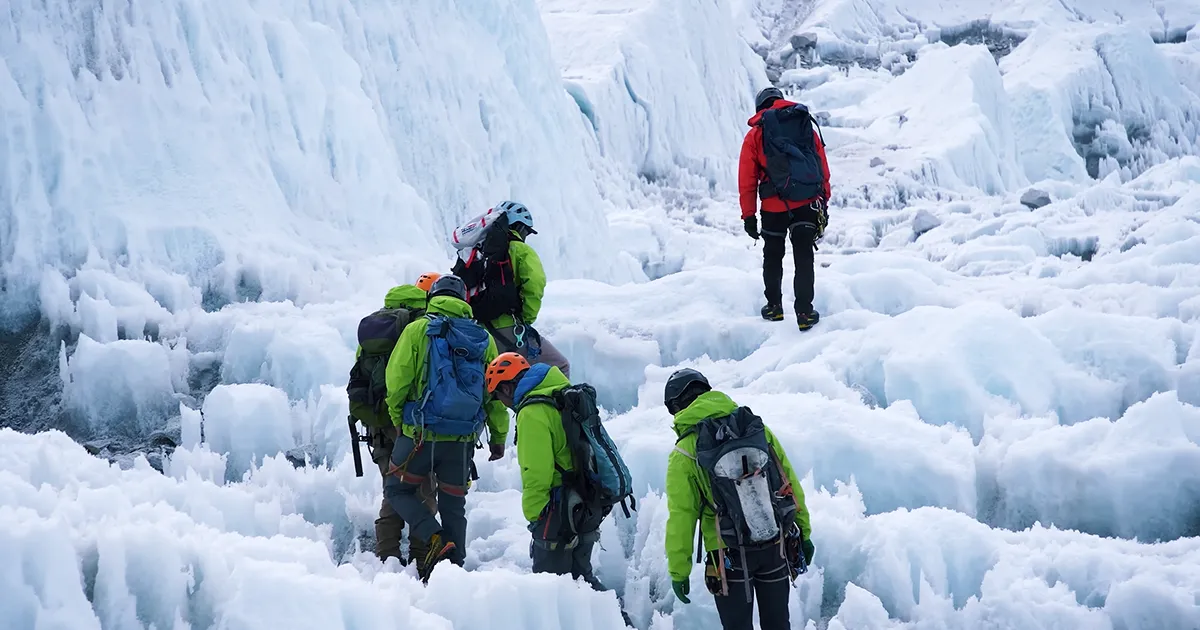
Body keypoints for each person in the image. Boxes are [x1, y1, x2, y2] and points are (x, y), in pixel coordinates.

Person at [663, 368, 815, 630]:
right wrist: (805, 531)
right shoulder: (755, 428)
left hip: (727, 555)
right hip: (774, 543)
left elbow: (682, 516)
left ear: (677, 406)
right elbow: (788, 479)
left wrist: (679, 570)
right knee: (779, 624)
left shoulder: (684, 451)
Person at [383, 274, 509, 582]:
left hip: (420, 435)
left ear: (433, 298)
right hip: (462, 440)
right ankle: (455, 572)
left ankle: (433, 535)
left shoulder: (417, 330)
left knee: (397, 488)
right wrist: (499, 437)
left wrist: (398, 419)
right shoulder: (482, 338)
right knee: (454, 505)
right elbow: (493, 393)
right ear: (464, 301)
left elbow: (396, 380)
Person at [484, 352, 604, 588]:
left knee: (553, 587)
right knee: (583, 580)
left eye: (498, 396)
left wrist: (536, 516)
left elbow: (536, 472)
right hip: (588, 499)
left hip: (557, 510)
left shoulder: (532, 411)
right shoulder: (563, 396)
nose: (503, 404)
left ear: (507, 388)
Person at [346, 272, 442, 565]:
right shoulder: (419, 326)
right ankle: (420, 557)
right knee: (422, 487)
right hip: (406, 421)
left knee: (394, 486)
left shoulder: (379, 324)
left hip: (375, 421)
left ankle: (386, 555)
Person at [738, 86, 832, 330]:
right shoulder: (803, 125)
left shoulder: (756, 134)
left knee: (773, 255)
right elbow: (821, 165)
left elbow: (747, 179)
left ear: (760, 108)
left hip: (773, 206)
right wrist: (824, 200)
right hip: (807, 201)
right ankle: (804, 313)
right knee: (803, 255)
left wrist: (749, 215)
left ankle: (774, 308)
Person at [454, 200, 571, 377]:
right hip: (509, 329)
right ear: (518, 226)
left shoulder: (475, 251)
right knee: (560, 366)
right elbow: (535, 285)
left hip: (476, 329)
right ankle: (540, 405)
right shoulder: (521, 250)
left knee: (491, 381)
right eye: (526, 231)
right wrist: (526, 318)